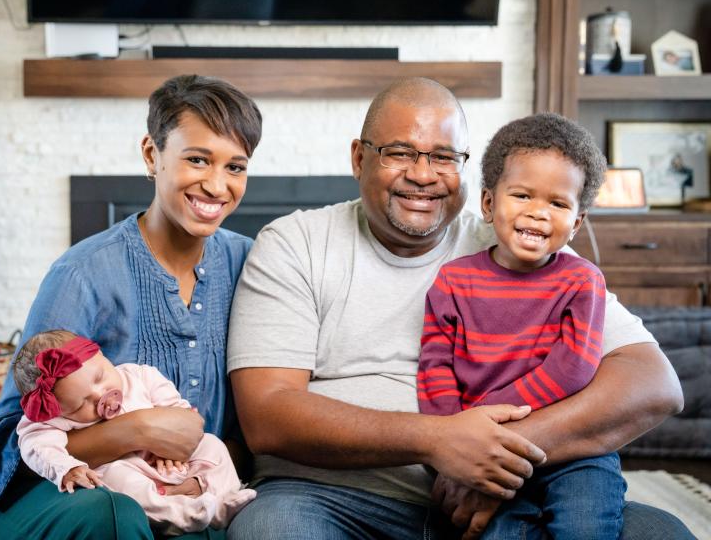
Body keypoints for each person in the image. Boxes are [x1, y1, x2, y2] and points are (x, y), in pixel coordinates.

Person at [226, 77, 692, 539]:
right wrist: (439, 441)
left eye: (444, 157)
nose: (424, 175)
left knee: (662, 533)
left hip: (508, 496)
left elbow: (655, 384)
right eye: (401, 152)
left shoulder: (517, 238)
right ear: (359, 158)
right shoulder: (296, 243)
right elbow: (268, 416)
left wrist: (493, 457)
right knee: (271, 528)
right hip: (331, 499)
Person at [0, 74, 263, 539]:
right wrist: (138, 429)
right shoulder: (83, 274)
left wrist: (197, 475)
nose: (216, 185)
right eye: (197, 160)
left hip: (184, 489)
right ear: (152, 154)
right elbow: (9, 440)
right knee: (117, 516)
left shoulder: (251, 264)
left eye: (236, 167)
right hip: (66, 491)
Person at [417, 113, 624, 539]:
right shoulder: (455, 281)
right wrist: (451, 442)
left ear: (577, 222)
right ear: (490, 204)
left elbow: (574, 368)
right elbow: (435, 366)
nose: (539, 213)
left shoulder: (581, 280)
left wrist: (489, 418)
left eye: (558, 204)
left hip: (573, 452)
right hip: (487, 454)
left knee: (585, 527)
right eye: (523, 195)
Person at [14, 330, 256, 536]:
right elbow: (36, 445)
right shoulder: (54, 420)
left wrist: (174, 438)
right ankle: (184, 514)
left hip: (173, 459)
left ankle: (224, 499)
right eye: (81, 405)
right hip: (127, 467)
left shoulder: (139, 376)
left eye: (100, 376)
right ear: (57, 410)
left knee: (212, 445)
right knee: (118, 479)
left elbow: (175, 407)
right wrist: (65, 468)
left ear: (102, 355)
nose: (101, 395)